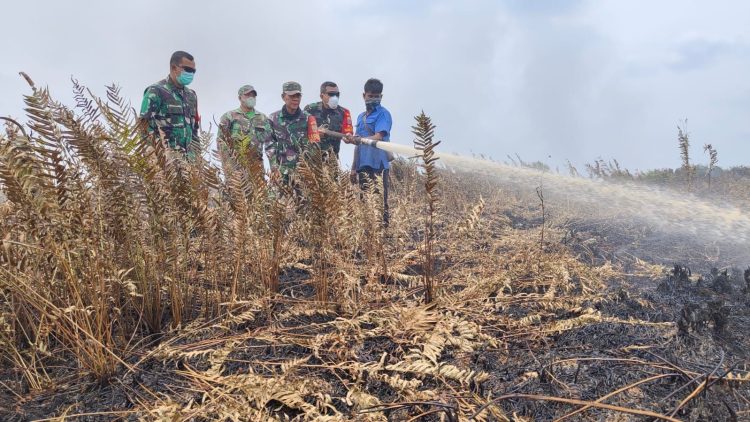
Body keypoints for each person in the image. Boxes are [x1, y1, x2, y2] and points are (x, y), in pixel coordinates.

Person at [139, 50, 201, 159]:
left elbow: (194, 131)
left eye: (193, 71)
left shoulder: (192, 96)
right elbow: (144, 129)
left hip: (190, 165)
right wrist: (152, 161)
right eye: (187, 69)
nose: (191, 73)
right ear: (174, 68)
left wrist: (198, 160)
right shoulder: (156, 92)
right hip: (166, 163)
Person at [348, 78, 393, 225]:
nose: (373, 99)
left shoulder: (383, 114)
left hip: (379, 164)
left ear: (381, 96)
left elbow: (379, 136)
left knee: (380, 201)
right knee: (364, 201)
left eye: (377, 96)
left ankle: (383, 234)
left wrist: (360, 139)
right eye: (370, 96)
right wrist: (354, 168)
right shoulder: (361, 117)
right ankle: (368, 234)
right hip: (363, 164)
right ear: (364, 95)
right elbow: (358, 143)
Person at [267, 81, 319, 185]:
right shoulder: (273, 119)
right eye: (291, 96)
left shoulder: (309, 118)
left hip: (304, 174)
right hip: (281, 173)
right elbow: (269, 145)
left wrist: (311, 172)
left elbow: (315, 146)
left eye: (298, 95)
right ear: (283, 97)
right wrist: (274, 168)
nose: (295, 99)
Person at [218, 84, 272, 167]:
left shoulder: (262, 118)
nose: (251, 97)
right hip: (235, 166)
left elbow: (270, 142)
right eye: (247, 95)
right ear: (239, 98)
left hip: (256, 166)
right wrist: (227, 164)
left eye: (253, 95)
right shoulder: (229, 116)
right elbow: (221, 141)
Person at [303, 81, 352, 160]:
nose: (335, 97)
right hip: (311, 159)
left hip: (332, 160)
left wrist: (349, 136)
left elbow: (348, 134)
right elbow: (301, 132)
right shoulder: (310, 109)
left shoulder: (344, 112)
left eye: (337, 94)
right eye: (331, 94)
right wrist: (315, 133)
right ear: (322, 96)